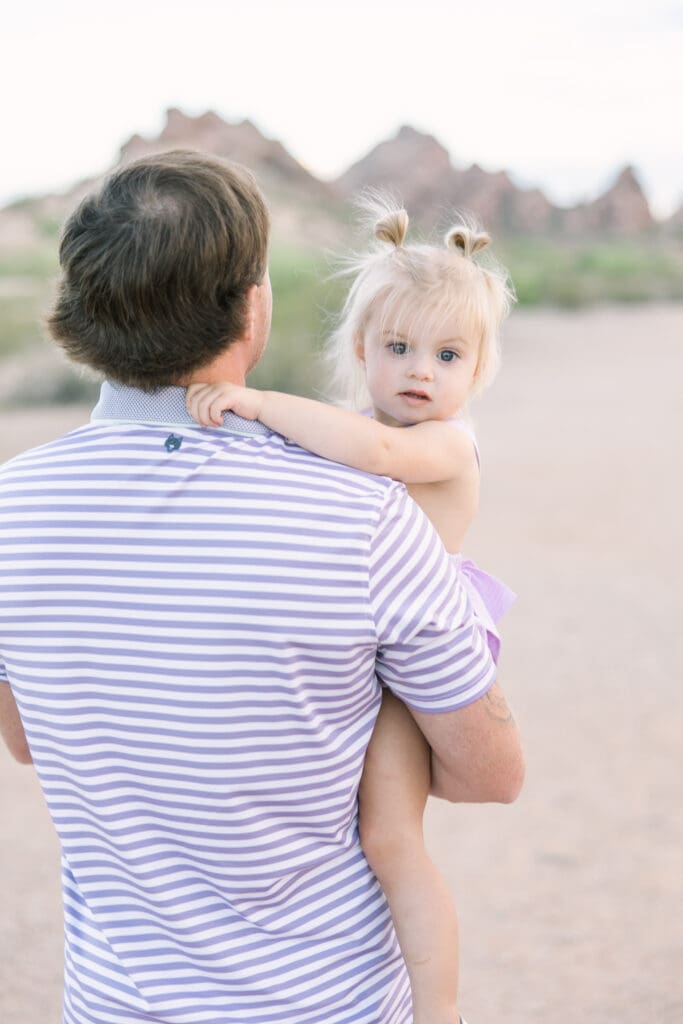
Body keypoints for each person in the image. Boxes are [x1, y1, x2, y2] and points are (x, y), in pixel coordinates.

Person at [0, 151, 524, 1024]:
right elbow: (486, 774)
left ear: (80, 309)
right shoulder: (360, 516)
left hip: (114, 1006)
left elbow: (31, 739)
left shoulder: (5, 513)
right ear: (253, 305)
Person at [185, 199, 515, 1024]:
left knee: (389, 838)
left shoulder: (443, 440)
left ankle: (435, 1010)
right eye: (398, 348)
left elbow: (374, 455)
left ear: (476, 370)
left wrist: (253, 402)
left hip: (419, 651)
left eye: (447, 354)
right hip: (360, 638)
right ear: (362, 350)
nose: (420, 371)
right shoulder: (356, 425)